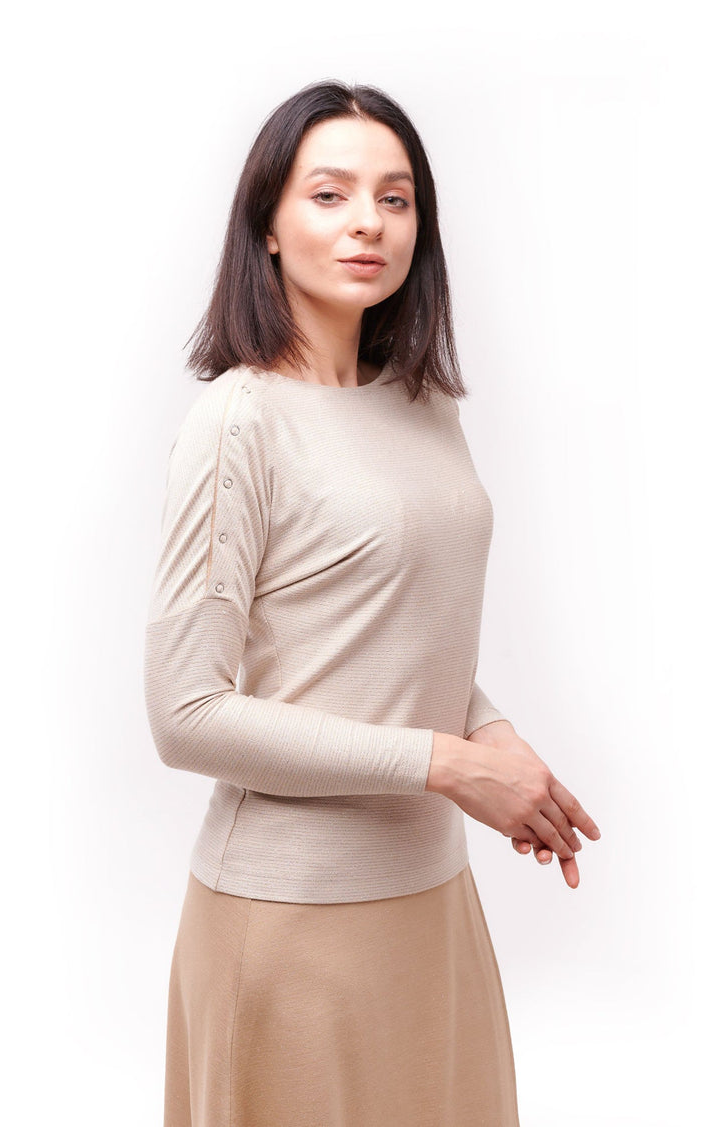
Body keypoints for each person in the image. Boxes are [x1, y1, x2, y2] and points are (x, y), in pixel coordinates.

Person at [143, 78, 601, 1127]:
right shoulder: (238, 425)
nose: (368, 223)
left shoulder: (421, 405)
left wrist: (496, 737)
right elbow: (185, 712)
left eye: (396, 199)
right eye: (331, 193)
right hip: (293, 920)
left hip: (434, 899)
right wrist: (450, 764)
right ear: (266, 222)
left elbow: (392, 633)